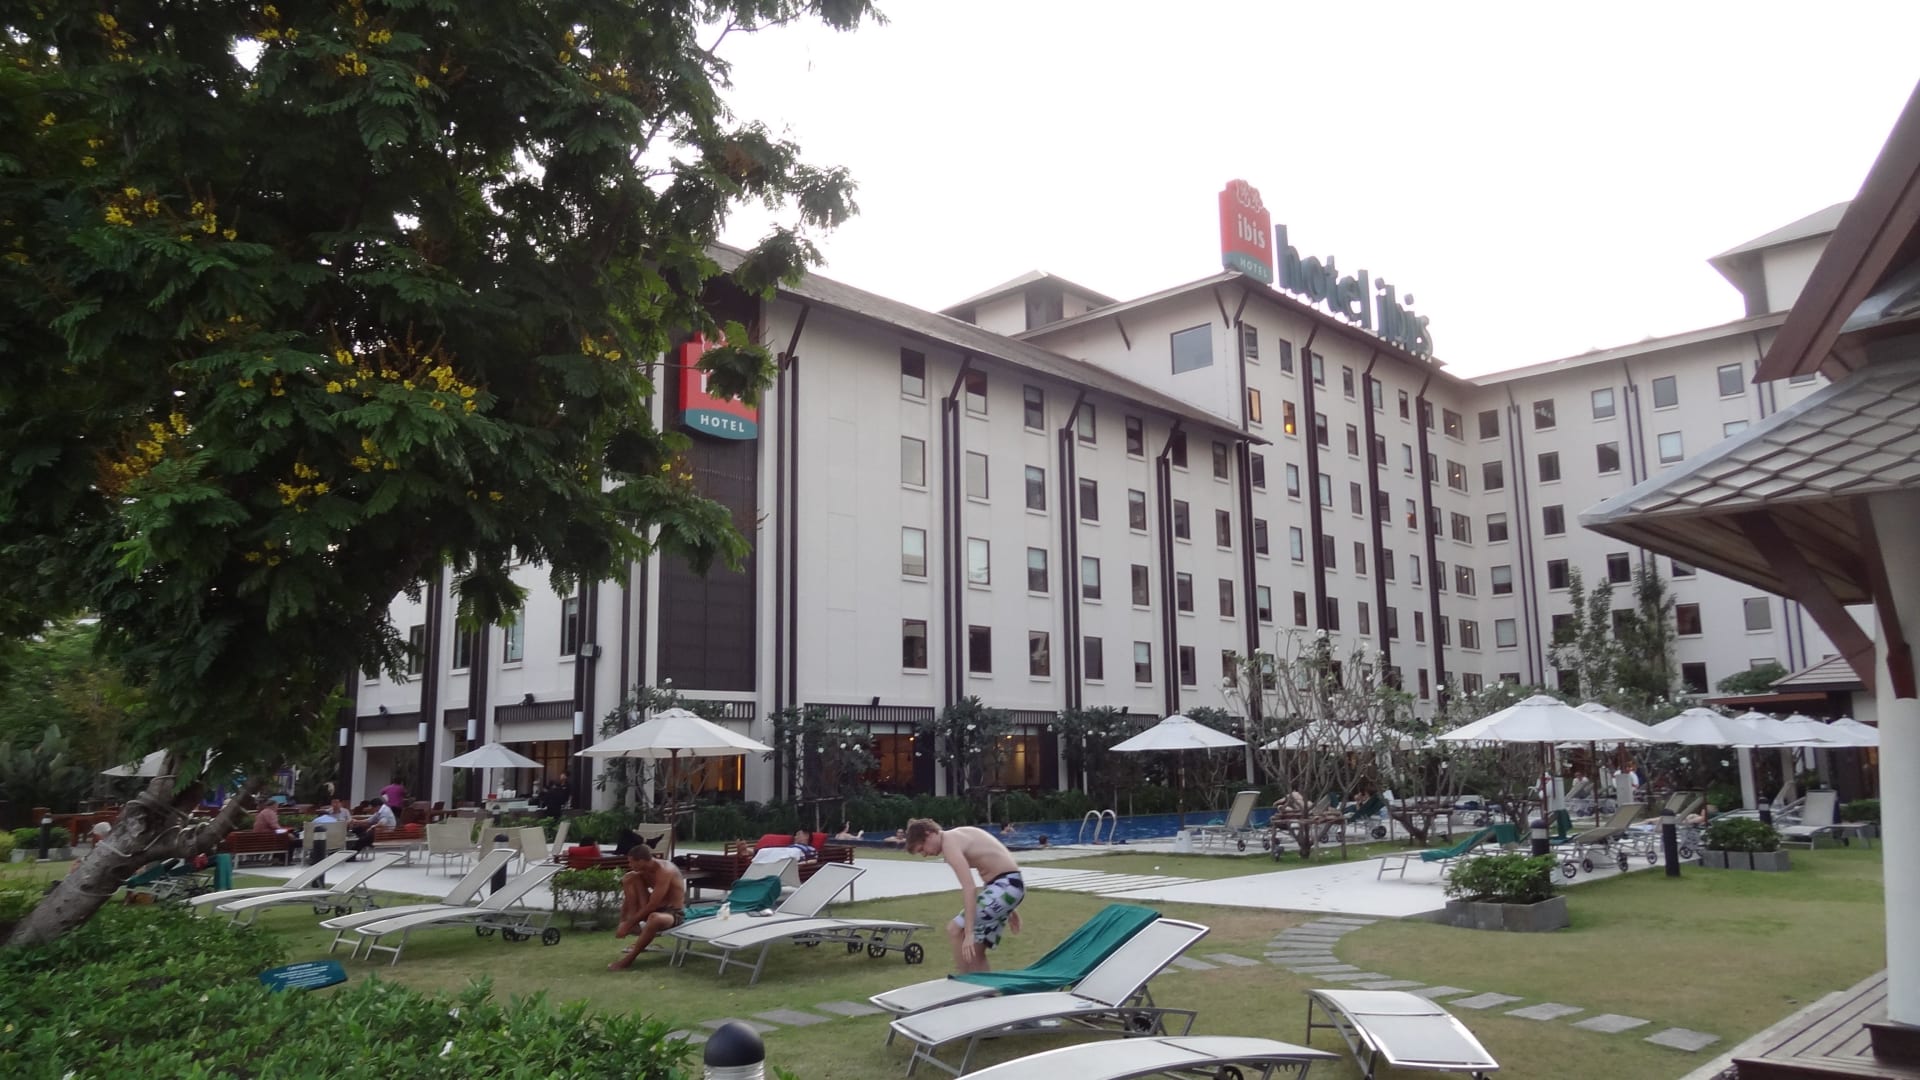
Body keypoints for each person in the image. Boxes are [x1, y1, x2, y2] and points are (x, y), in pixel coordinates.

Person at [904, 818, 1025, 974]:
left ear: (929, 834)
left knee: (955, 929)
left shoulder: (949, 844)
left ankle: (961, 982)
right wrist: (1009, 909)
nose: (924, 855)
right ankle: (983, 987)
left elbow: (969, 888)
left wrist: (968, 932)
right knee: (976, 951)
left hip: (1006, 886)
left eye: (922, 849)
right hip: (1007, 886)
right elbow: (994, 860)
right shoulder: (956, 836)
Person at [607, 845, 687, 970]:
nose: (629, 865)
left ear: (641, 861)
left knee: (654, 918)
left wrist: (628, 924)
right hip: (654, 908)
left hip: (673, 913)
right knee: (629, 877)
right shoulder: (643, 871)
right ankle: (633, 926)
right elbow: (628, 898)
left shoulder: (665, 871)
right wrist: (623, 921)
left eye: (631, 862)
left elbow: (652, 905)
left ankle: (628, 960)